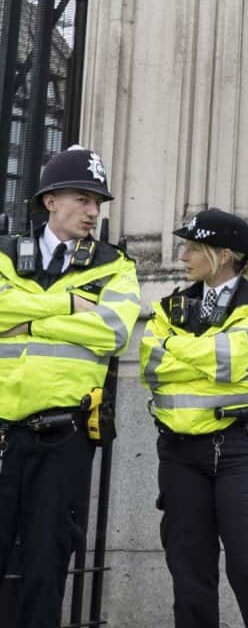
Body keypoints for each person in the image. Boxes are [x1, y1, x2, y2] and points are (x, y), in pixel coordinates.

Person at [0, 146, 140, 627]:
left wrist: (30, 319)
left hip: (65, 437)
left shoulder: (115, 266)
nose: (93, 211)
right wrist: (71, 308)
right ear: (50, 201)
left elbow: (114, 331)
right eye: (83, 198)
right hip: (2, 432)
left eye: (98, 201)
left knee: (45, 566)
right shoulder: (3, 253)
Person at [139, 209, 248, 628]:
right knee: (189, 575)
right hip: (180, 452)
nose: (183, 254)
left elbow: (237, 361)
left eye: (193, 246)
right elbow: (151, 364)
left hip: (243, 449)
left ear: (223, 254)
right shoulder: (170, 305)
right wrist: (209, 354)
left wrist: (181, 350)